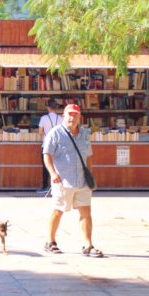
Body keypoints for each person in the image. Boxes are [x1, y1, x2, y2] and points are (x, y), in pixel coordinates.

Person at [42, 104, 103, 257]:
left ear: (79, 117)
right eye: (69, 114)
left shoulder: (84, 134)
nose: (72, 117)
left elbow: (88, 156)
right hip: (63, 181)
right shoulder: (55, 133)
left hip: (82, 181)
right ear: (63, 115)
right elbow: (47, 154)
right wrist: (52, 173)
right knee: (58, 211)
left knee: (86, 212)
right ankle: (50, 241)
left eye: (75, 115)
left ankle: (88, 244)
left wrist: (90, 174)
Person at [37, 100, 62, 195]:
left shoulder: (44, 118)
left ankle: (45, 187)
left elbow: (40, 132)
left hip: (46, 144)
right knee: (58, 165)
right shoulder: (60, 118)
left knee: (46, 166)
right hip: (58, 145)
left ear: (48, 107)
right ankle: (57, 186)